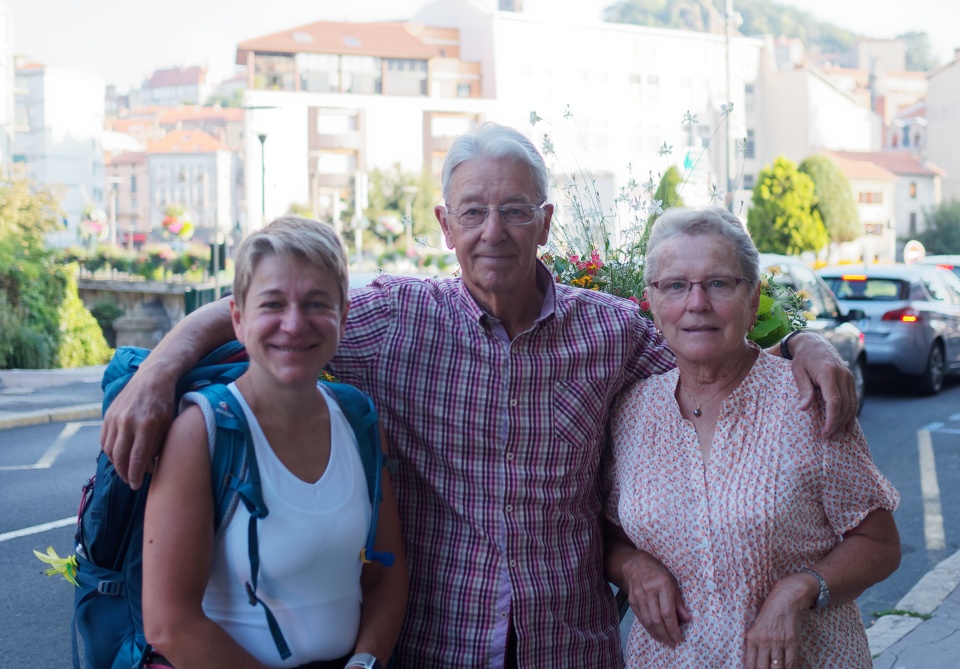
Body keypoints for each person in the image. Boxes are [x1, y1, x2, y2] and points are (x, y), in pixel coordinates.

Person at [103, 124, 857, 668]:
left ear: (547, 222)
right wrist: (159, 370)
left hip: (572, 643)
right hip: (436, 641)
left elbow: (717, 348)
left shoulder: (611, 332)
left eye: (515, 209)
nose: (492, 230)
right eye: (473, 210)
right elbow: (279, 304)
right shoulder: (394, 319)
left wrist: (803, 345)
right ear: (444, 225)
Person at [603, 207, 901, 669]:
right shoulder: (631, 411)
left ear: (753, 296)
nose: (696, 303)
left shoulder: (805, 400)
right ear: (652, 301)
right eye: (676, 285)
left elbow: (879, 544)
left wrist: (800, 588)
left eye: (719, 283)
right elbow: (607, 532)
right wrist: (630, 566)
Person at [142, 217, 407, 669]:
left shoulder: (358, 419)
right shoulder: (202, 432)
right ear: (239, 319)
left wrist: (365, 663)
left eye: (316, 303)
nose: (294, 324)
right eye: (272, 304)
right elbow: (170, 624)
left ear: (343, 315)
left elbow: (386, 575)